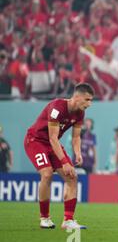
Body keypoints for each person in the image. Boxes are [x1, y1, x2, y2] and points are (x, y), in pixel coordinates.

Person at [23, 83, 94, 230]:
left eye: (91, 100)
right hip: (36, 141)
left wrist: (78, 152)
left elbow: (76, 137)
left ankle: (68, 221)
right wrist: (64, 162)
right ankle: (44, 218)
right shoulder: (57, 107)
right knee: (47, 173)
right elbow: (53, 138)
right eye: (87, 99)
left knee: (72, 176)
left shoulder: (80, 113)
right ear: (77, 96)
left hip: (51, 144)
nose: (90, 104)